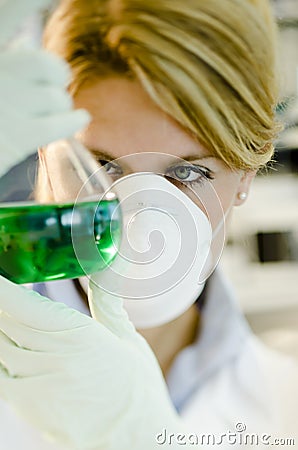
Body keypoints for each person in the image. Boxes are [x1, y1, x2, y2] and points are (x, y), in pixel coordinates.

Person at [0, 0, 297, 449]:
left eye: (188, 173)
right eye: (100, 166)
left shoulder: (287, 405)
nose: (138, 218)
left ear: (245, 175)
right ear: (42, 151)